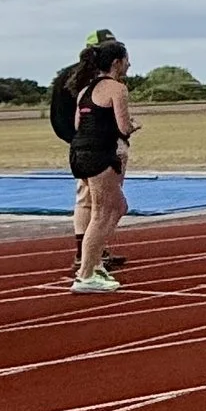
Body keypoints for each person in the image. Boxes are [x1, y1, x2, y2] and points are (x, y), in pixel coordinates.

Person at [67, 38, 136, 293]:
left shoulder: (85, 90)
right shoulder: (117, 89)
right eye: (127, 59)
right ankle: (85, 273)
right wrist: (133, 127)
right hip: (99, 155)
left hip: (79, 153)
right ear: (117, 63)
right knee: (100, 213)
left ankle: (93, 262)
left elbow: (77, 125)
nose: (130, 64)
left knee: (119, 206)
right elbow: (123, 127)